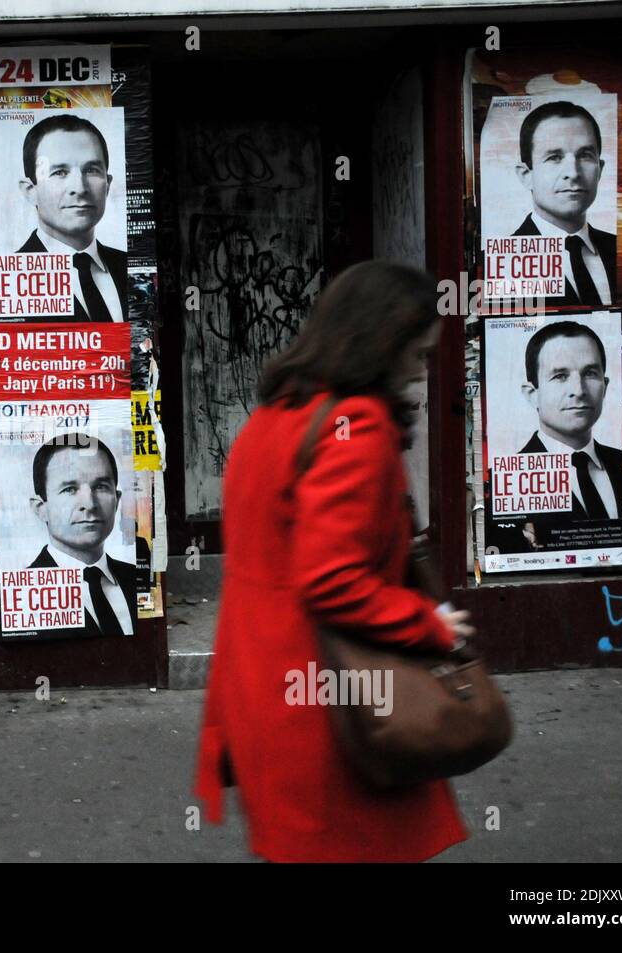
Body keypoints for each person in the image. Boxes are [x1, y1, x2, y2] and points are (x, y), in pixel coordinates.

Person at [196, 261, 473, 862]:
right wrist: (429, 624)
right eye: (420, 355)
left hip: (262, 690)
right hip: (331, 708)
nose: (423, 372)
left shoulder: (274, 417)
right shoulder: (357, 428)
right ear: (385, 341)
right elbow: (332, 579)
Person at [517, 320, 622, 520]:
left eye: (590, 373)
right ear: (532, 393)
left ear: (605, 385)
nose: (578, 391)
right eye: (560, 376)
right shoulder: (509, 479)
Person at [17, 115, 127, 322]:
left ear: (108, 184)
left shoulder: (127, 266)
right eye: (59, 172)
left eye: (92, 170)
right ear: (30, 190)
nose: (80, 188)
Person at [27, 433, 135, 635]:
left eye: (101, 487)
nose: (90, 504)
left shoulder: (135, 577)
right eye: (69, 489)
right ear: (41, 507)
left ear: (117, 500)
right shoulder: (23, 592)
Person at [511, 100, 615, 307]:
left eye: (585, 155)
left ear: (600, 169)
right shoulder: (503, 261)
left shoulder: (617, 250)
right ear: (526, 175)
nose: (573, 173)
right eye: (554, 157)